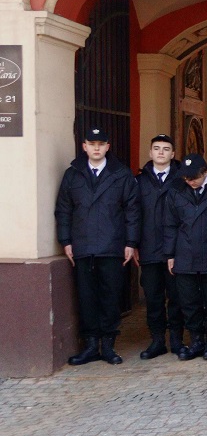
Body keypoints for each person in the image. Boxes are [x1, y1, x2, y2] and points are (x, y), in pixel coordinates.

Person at [56, 127, 140, 366]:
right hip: (82, 246)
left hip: (112, 246)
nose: (96, 148)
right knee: (86, 297)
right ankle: (91, 346)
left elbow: (133, 211)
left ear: (107, 147)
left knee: (110, 297)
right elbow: (63, 209)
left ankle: (109, 346)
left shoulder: (121, 174)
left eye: (100, 144)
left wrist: (130, 243)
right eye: (91, 143)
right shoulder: (72, 174)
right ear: (84, 146)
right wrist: (66, 241)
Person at [164, 154, 207, 361]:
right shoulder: (176, 192)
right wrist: (170, 254)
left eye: (194, 177)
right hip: (184, 255)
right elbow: (170, 225)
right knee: (189, 302)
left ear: (205, 172)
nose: (190, 181)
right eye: (186, 178)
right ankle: (196, 341)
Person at [135, 134, 183, 360]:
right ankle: (157, 341)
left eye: (166, 149)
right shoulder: (139, 180)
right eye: (156, 148)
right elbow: (132, 214)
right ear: (150, 153)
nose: (161, 152)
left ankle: (177, 340)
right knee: (153, 297)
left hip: (177, 249)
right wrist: (132, 243)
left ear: (173, 154)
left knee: (177, 296)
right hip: (149, 248)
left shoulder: (182, 179)